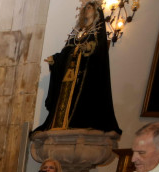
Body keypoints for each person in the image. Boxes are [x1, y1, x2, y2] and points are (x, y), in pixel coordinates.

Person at [34, 1, 120, 134]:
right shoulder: (78, 31)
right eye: (85, 7)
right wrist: (55, 60)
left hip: (84, 77)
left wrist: (89, 48)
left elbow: (99, 51)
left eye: (90, 7)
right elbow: (67, 50)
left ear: (97, 11)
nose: (87, 10)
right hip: (70, 75)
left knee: (78, 102)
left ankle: (76, 123)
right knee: (65, 101)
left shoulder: (97, 32)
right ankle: (62, 123)